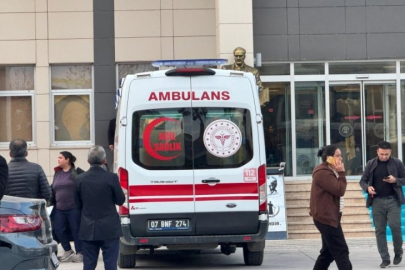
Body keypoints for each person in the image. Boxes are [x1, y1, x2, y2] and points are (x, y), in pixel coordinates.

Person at [76, 146, 125, 270]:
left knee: (89, 264)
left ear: (88, 161)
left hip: (88, 227)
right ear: (105, 161)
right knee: (110, 264)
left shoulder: (79, 179)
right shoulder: (112, 178)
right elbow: (120, 200)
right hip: (109, 228)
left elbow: (77, 204)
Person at [359, 141, 405, 268]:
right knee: (380, 230)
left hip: (393, 200)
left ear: (390, 152)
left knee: (395, 226)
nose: (384, 156)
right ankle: (385, 258)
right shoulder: (371, 163)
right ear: (377, 152)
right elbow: (362, 180)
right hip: (377, 201)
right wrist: (367, 188)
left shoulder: (397, 163)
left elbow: (404, 178)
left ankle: (398, 252)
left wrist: (395, 180)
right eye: (382, 154)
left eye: (387, 154)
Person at [310, 145, 352, 270]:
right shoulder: (322, 172)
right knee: (341, 251)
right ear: (329, 158)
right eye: (337, 155)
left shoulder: (329, 170)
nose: (341, 158)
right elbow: (339, 190)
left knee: (328, 253)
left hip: (330, 216)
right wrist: (342, 173)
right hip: (326, 218)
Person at [50, 151, 84, 263]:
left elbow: (84, 186)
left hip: (74, 207)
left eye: (60, 157)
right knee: (58, 229)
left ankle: (80, 253)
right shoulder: (57, 173)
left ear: (67, 159)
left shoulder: (76, 172)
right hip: (59, 208)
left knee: (76, 230)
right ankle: (68, 250)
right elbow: (52, 188)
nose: (58, 159)